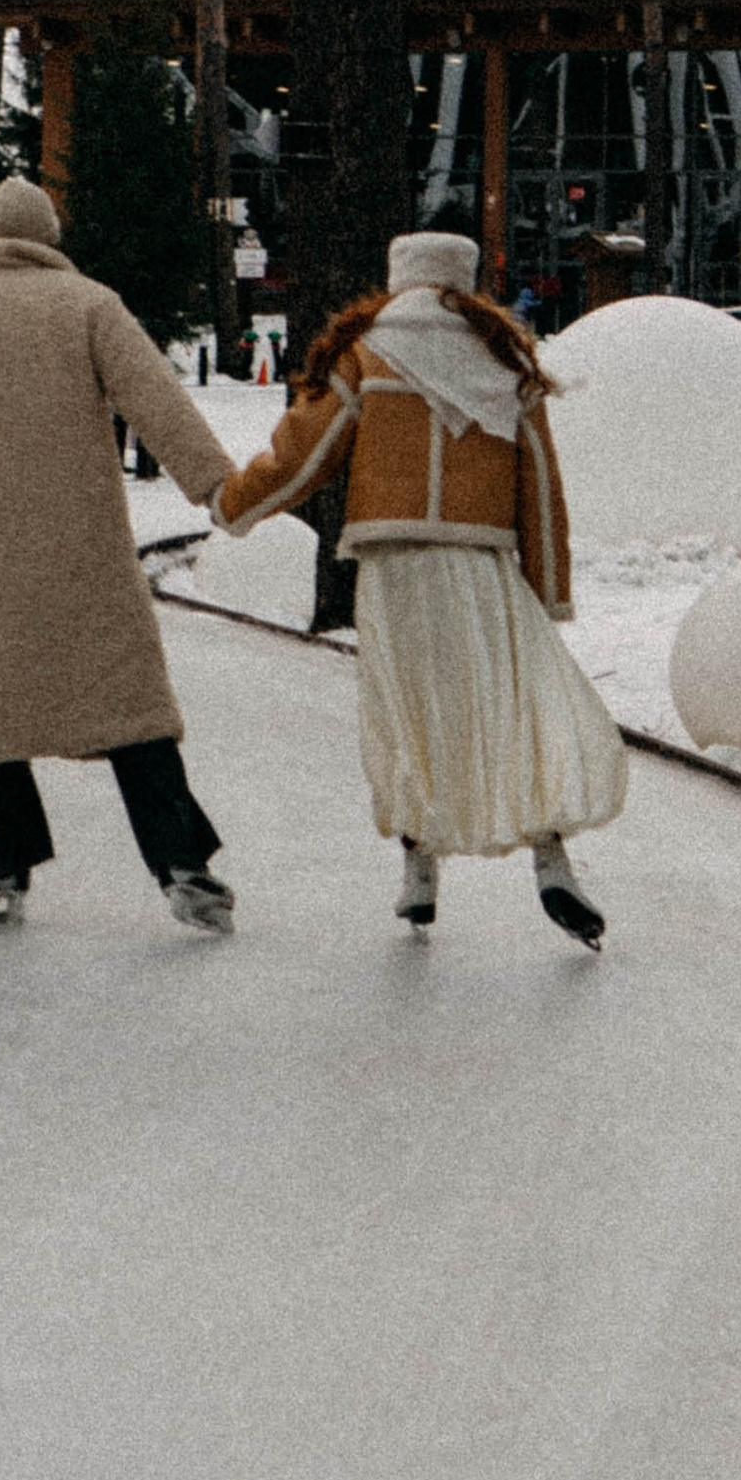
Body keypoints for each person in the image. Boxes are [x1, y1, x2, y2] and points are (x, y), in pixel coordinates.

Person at [210, 229, 626, 947]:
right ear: (466, 284)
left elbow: (302, 457)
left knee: (407, 717)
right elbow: (541, 486)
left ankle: (419, 875)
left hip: (395, 562)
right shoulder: (505, 360)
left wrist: (234, 506)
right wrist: (549, 591)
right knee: (511, 712)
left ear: (398, 277)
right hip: (481, 564)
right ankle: (552, 859)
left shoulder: (365, 354)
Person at [0, 175, 239, 934]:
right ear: (48, 239)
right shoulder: (90, 306)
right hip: (87, 554)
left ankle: (1, 868)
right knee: (131, 708)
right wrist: (216, 487)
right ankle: (183, 866)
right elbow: (157, 400)